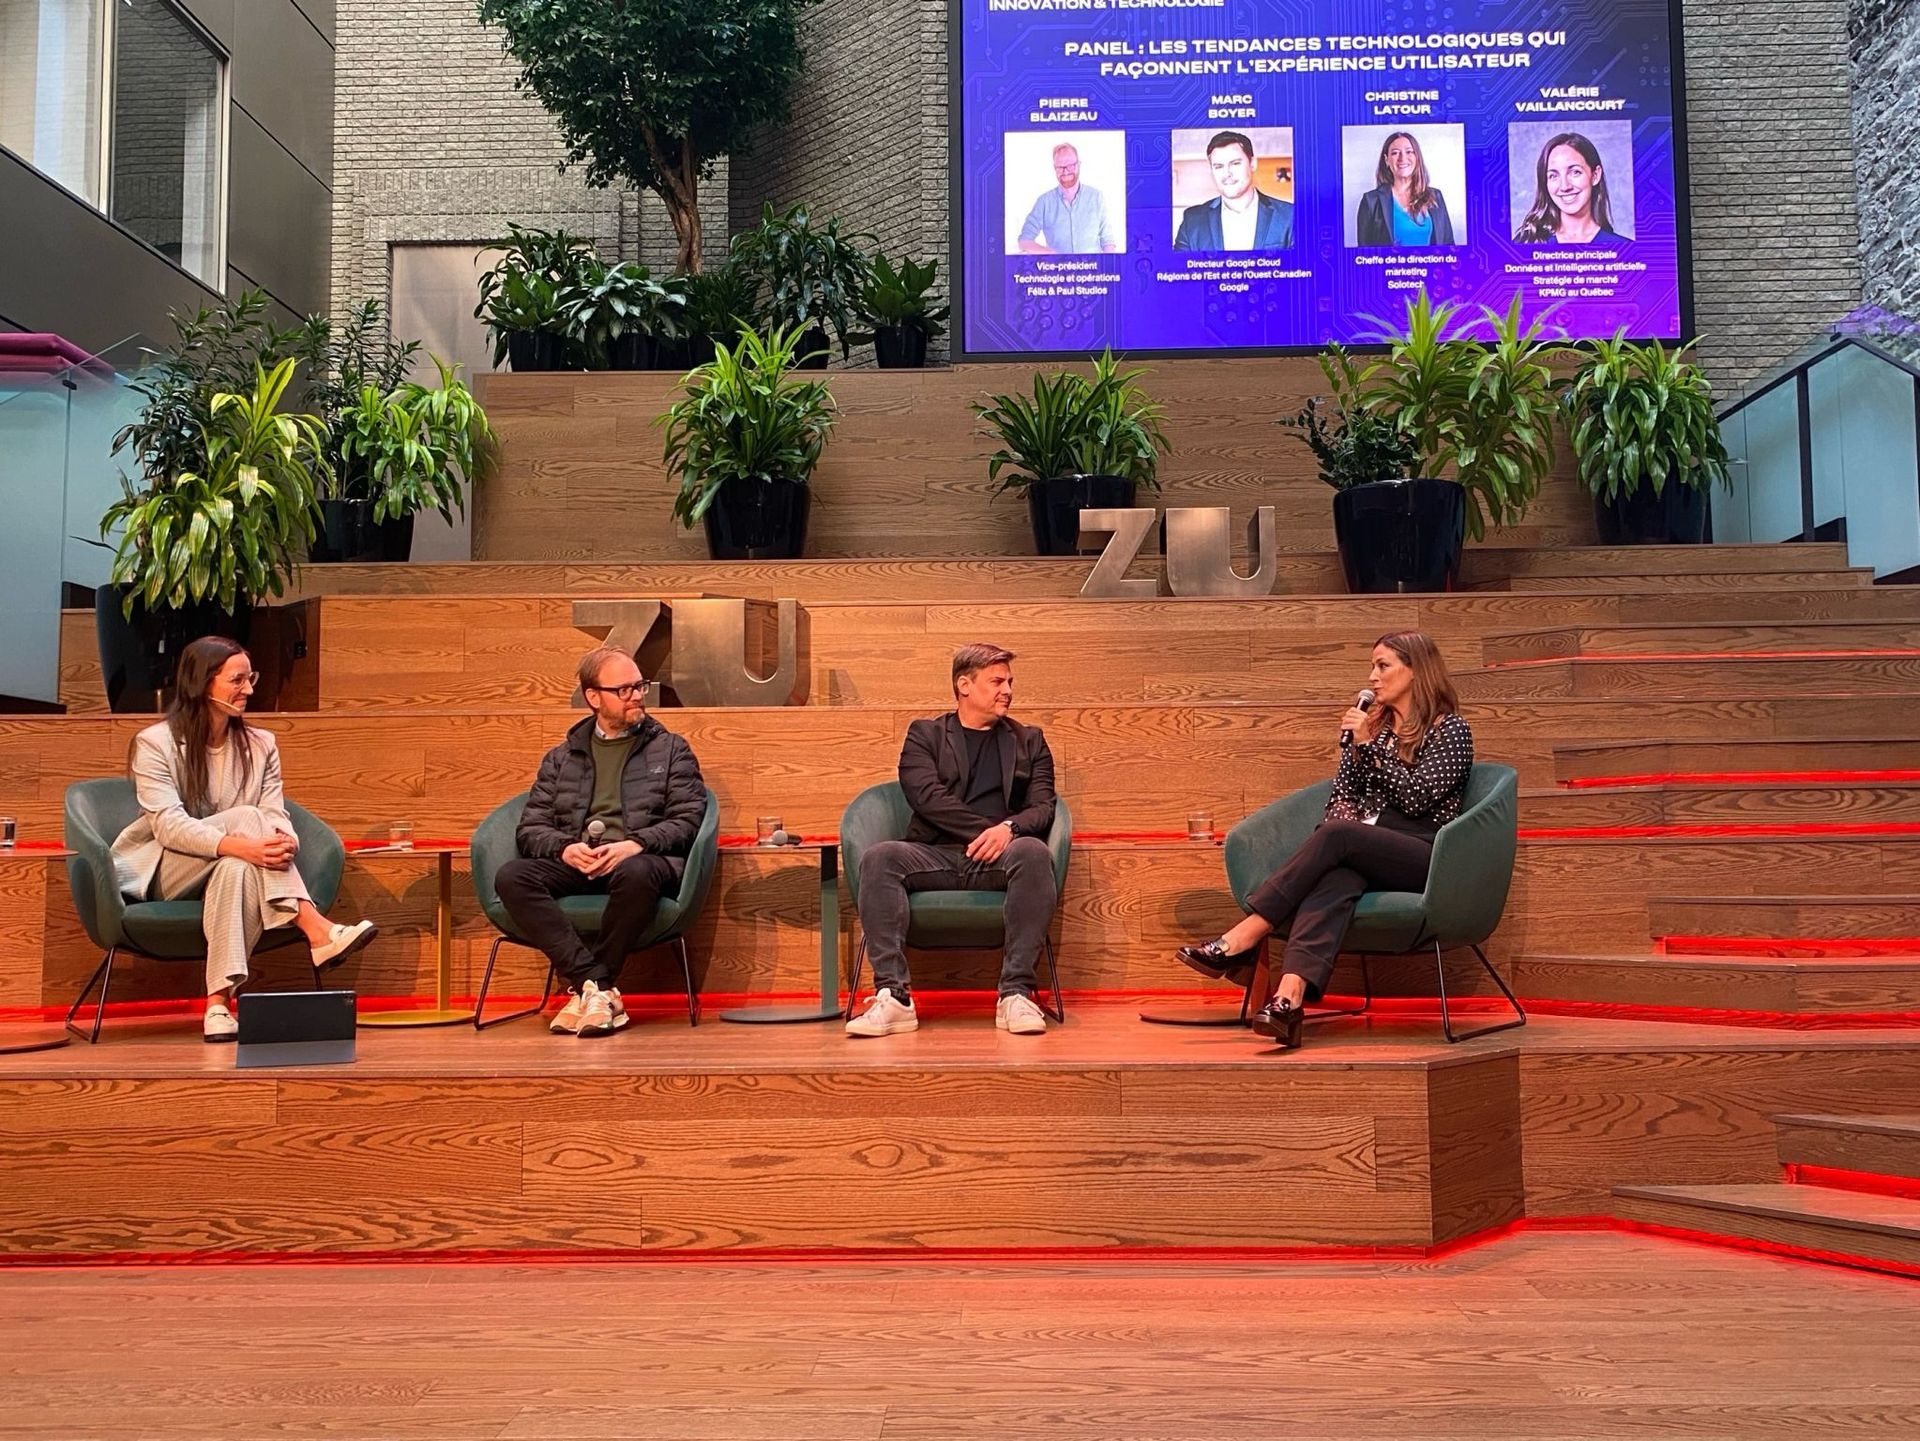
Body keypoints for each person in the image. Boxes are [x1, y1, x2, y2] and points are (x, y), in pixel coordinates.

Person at [1174, 632, 1473, 1050]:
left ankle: (1246, 934)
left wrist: (1368, 749)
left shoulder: (1451, 730)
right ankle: (1287, 1000)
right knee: (1337, 876)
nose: (1373, 676)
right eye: (1373, 666)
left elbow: (1417, 796)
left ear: (1417, 670)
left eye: (1383, 666)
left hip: (1425, 852)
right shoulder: (1376, 730)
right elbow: (1343, 797)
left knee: (1338, 839)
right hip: (1362, 847)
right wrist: (1360, 748)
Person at [111, 636, 378, 1043]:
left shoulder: (261, 744)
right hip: (166, 869)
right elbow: (168, 826)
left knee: (237, 868)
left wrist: (284, 841)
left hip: (233, 867)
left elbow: (275, 812)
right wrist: (243, 843)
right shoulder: (155, 743)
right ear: (203, 683)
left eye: (250, 678)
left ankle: (218, 1005)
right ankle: (316, 928)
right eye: (237, 680)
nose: (249, 689)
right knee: (246, 823)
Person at [848, 643, 1059, 1038]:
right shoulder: (925, 735)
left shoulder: (1030, 740)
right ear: (964, 684)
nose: (1008, 690)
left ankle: (1015, 993)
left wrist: (1008, 830)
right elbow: (925, 796)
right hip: (935, 854)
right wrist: (985, 830)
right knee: (880, 858)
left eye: (1010, 681)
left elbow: (1044, 806)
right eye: (997, 681)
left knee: (1033, 851)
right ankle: (894, 997)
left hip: (1003, 856)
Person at [495, 646, 707, 1039]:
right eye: (624, 689)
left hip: (640, 861)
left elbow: (688, 819)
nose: (638, 696)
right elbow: (531, 827)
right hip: (580, 864)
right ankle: (598, 987)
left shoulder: (670, 748)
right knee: (512, 876)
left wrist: (635, 843)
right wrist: (564, 849)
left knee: (638, 871)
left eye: (639, 686)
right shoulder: (561, 758)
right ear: (594, 697)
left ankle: (592, 989)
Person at [1173, 131, 1294, 251]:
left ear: (1252, 163)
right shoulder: (1192, 220)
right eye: (1219, 166)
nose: (1227, 174)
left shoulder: (1290, 215)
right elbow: (1178, 267)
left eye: (1235, 163)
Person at [1514, 132, 1623, 245]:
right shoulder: (1525, 242)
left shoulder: (1621, 248)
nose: (1565, 186)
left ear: (1595, 175)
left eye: (1575, 172)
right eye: (1553, 176)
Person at [1354, 131, 1457, 247]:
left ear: (1417, 158)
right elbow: (1364, 255)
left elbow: (1449, 245)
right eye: (1395, 153)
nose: (1402, 158)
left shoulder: (1435, 196)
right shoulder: (1371, 201)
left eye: (1409, 152)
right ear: (1387, 160)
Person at [1016, 143, 1119, 254]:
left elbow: (1108, 242)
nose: (1065, 171)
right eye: (1060, 167)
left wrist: (1108, 266)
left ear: (1079, 165)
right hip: (1058, 270)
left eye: (1070, 165)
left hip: (1093, 269)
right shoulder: (1044, 202)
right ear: (1054, 168)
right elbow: (1024, 241)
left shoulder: (1096, 197)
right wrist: (1050, 254)